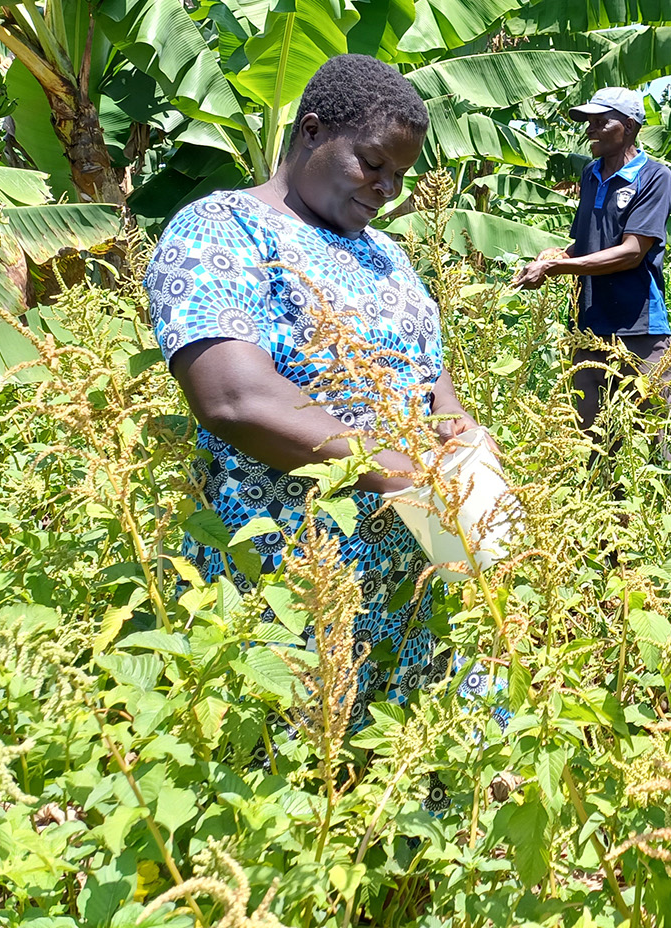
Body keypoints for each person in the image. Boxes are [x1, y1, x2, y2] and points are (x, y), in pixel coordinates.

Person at [145, 53, 483, 707]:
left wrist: (470, 448)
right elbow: (234, 398)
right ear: (311, 131)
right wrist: (402, 471)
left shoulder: (388, 256)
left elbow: (432, 385)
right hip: (286, 589)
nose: (387, 188)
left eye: (401, 176)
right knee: (295, 791)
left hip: (411, 599)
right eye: (372, 163)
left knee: (409, 785)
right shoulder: (222, 231)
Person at [513, 87, 671, 448]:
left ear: (630, 127)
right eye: (589, 122)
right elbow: (587, 242)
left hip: (639, 327)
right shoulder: (591, 174)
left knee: (657, 438)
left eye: (602, 122)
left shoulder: (654, 177)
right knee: (593, 442)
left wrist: (558, 269)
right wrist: (557, 255)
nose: (591, 130)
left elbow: (631, 252)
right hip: (589, 326)